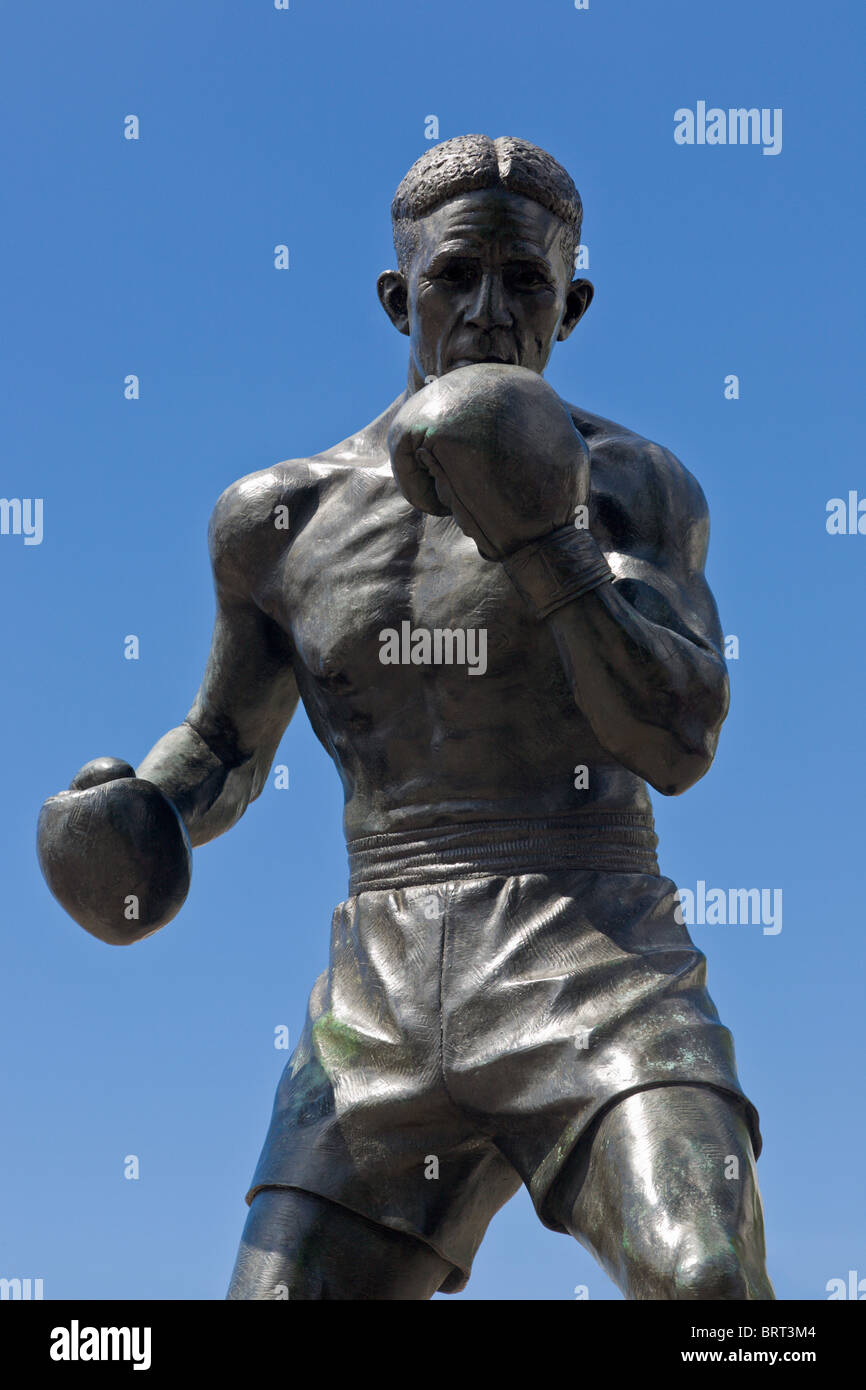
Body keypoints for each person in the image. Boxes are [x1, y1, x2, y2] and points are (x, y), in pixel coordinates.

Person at [38, 135, 774, 1300]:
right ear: (399, 296)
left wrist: (550, 547)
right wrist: (144, 810)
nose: (488, 311)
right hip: (375, 992)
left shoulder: (629, 481)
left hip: (590, 945)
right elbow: (226, 743)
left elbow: (677, 737)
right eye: (454, 277)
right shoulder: (274, 520)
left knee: (708, 1284)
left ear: (569, 305)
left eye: (524, 282)